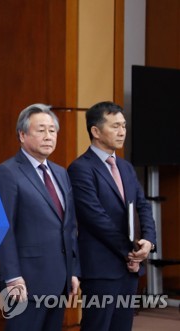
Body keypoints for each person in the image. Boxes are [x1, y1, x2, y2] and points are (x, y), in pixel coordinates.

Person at [67, 101, 156, 331]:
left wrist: (148, 241)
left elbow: (143, 206)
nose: (122, 131)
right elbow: (95, 219)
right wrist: (131, 252)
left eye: (124, 126)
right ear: (95, 131)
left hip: (130, 267)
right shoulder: (80, 168)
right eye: (115, 126)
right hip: (101, 268)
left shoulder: (125, 167)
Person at [0, 103, 80, 331]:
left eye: (52, 131)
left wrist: (73, 271)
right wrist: (12, 277)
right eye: (41, 130)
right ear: (22, 135)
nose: (48, 136)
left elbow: (69, 227)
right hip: (26, 282)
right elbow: (4, 230)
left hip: (59, 278)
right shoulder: (8, 172)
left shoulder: (61, 173)